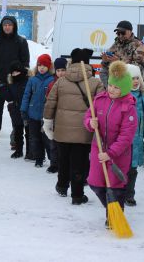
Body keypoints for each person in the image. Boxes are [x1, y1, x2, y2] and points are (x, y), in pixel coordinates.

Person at [43, 48, 104, 205]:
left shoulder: (61, 82)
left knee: (63, 159)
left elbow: (51, 103)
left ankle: (62, 186)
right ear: (88, 64)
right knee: (79, 163)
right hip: (84, 131)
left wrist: (48, 122)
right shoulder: (96, 83)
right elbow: (102, 106)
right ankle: (77, 195)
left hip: (62, 130)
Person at [84, 61, 137, 225]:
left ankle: (114, 218)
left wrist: (111, 153)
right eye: (111, 86)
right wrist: (90, 123)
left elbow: (126, 136)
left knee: (115, 187)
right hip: (98, 150)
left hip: (118, 155)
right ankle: (111, 208)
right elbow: (87, 116)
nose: (112, 90)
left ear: (125, 88)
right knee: (95, 184)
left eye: (116, 87)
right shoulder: (99, 100)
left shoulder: (128, 107)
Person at [0, 15, 30, 143]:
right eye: (5, 25)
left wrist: (19, 74)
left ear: (14, 26)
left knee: (15, 111)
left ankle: (16, 138)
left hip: (15, 83)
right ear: (2, 26)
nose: (7, 27)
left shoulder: (21, 42)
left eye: (9, 25)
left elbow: (25, 62)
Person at [125, 64, 144, 206]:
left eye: (137, 78)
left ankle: (130, 194)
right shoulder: (121, 96)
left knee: (133, 169)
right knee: (121, 169)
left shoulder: (143, 97)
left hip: (136, 140)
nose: (135, 81)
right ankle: (118, 192)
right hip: (123, 141)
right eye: (132, 79)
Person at [20, 54, 54, 168]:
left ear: (49, 67)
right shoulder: (33, 79)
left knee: (47, 139)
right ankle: (39, 158)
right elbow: (26, 95)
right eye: (40, 65)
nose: (42, 68)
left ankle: (52, 160)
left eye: (44, 65)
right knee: (35, 138)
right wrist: (24, 109)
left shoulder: (52, 80)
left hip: (46, 116)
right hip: (33, 114)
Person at [100, 20, 144, 87]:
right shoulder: (116, 44)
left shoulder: (139, 45)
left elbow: (138, 68)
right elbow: (105, 66)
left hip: (131, 81)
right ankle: (109, 90)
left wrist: (119, 62)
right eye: (118, 33)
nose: (120, 35)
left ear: (130, 32)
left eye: (123, 33)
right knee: (103, 71)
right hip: (116, 80)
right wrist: (105, 61)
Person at [43, 56, 68, 173]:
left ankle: (63, 164)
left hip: (66, 118)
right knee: (53, 142)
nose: (61, 73)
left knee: (64, 143)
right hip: (54, 117)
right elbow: (48, 101)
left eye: (63, 70)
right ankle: (54, 164)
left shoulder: (70, 83)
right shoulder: (51, 84)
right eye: (58, 70)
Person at [4, 60, 30, 159]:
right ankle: (18, 150)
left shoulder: (28, 81)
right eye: (13, 73)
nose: (15, 74)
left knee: (28, 133)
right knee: (18, 132)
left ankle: (29, 151)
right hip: (15, 110)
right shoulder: (11, 83)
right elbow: (9, 96)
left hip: (26, 110)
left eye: (17, 72)